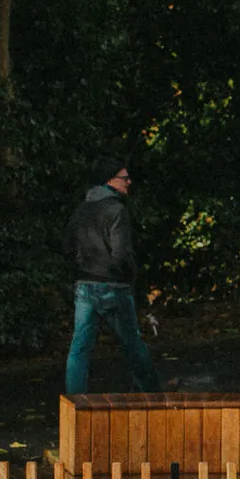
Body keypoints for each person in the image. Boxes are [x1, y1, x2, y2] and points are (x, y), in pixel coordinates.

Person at [66, 159, 165, 398]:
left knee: (79, 349)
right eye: (124, 178)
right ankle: (153, 394)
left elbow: (68, 246)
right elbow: (121, 254)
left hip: (85, 287)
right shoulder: (116, 209)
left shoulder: (82, 209)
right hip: (113, 287)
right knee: (132, 344)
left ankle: (74, 403)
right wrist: (131, 275)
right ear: (110, 180)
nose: (129, 182)